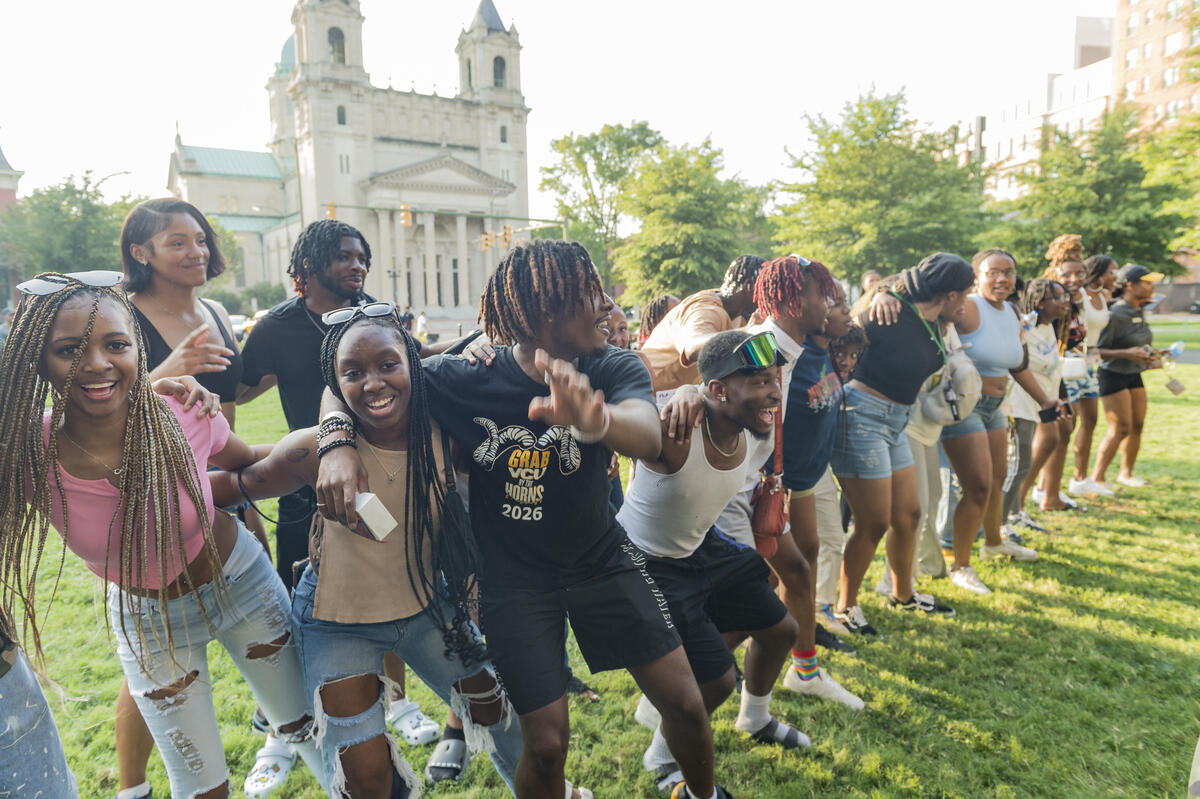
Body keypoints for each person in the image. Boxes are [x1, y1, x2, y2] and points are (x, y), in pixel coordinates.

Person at [317, 240, 721, 799]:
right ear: (544, 314)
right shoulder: (467, 376)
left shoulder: (611, 365)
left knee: (685, 702)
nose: (609, 304)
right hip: (515, 581)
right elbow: (354, 377)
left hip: (601, 559)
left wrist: (595, 418)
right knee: (548, 744)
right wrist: (335, 443)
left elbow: (648, 435)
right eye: (591, 293)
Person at [0, 271, 325, 799]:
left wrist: (332, 445)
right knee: (200, 788)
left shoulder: (182, 410)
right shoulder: (24, 450)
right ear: (36, 360)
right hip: (147, 622)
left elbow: (250, 469)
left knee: (309, 731)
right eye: (68, 350)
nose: (97, 363)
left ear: (137, 350)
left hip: (241, 585)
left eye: (116, 344)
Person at [212, 307, 525, 798]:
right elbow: (235, 485)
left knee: (499, 716)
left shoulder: (444, 433)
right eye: (353, 373)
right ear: (335, 384)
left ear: (413, 362)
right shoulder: (313, 449)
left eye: (387, 365)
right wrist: (149, 484)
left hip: (428, 606)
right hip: (337, 622)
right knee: (364, 776)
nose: (373, 383)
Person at [237, 220, 449, 776]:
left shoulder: (377, 314)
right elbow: (237, 388)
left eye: (362, 256)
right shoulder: (277, 327)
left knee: (391, 585)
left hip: (381, 480)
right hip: (305, 484)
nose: (357, 265)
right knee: (298, 610)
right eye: (344, 256)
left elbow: (417, 362)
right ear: (308, 265)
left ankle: (397, 700)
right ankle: (282, 728)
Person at [119, 197, 289, 798]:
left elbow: (232, 397)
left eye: (200, 239)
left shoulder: (214, 309)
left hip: (227, 489)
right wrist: (167, 367)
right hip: (153, 505)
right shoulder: (120, 317)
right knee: (158, 660)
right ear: (141, 253)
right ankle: (131, 785)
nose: (196, 251)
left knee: (266, 629)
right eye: (176, 241)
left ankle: (278, 735)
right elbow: (100, 413)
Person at [619, 331, 810, 795]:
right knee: (717, 681)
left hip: (703, 543)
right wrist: (687, 391)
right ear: (720, 391)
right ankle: (663, 753)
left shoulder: (757, 421)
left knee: (781, 630)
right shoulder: (676, 421)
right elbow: (640, 407)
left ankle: (756, 718)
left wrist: (702, 389)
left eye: (774, 379)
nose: (773, 392)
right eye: (760, 381)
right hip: (649, 563)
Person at [832, 253, 971, 635]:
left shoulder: (935, 320)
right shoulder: (888, 309)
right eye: (965, 294)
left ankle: (903, 594)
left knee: (908, 515)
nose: (967, 302)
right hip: (863, 416)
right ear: (952, 292)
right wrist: (878, 293)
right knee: (872, 522)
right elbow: (846, 330)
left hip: (898, 421)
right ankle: (845, 605)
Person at [926, 249, 1061, 596]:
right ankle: (961, 565)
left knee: (998, 477)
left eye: (1009, 272)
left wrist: (1045, 399)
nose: (1001, 279)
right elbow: (931, 324)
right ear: (977, 276)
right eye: (993, 272)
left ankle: (994, 542)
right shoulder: (968, 307)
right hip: (965, 408)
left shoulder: (1012, 312)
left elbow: (1017, 365)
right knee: (978, 487)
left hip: (996, 406)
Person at [640, 256, 764, 392]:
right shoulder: (706, 309)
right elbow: (691, 347)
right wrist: (747, 332)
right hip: (646, 395)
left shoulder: (738, 316)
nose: (768, 299)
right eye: (766, 291)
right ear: (748, 287)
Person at [1091, 264, 1163, 489]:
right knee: (1120, 428)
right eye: (1147, 282)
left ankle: (1126, 474)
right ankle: (1098, 478)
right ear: (1130, 285)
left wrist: (1153, 355)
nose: (1152, 286)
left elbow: (1139, 342)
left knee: (1137, 425)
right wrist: (1127, 353)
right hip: (1112, 375)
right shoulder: (1116, 314)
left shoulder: (1139, 310)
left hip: (1134, 374)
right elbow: (1096, 350)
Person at [1006, 279, 1073, 518]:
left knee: (1029, 460)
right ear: (1039, 303)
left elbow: (1051, 370)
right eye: (1058, 297)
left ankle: (1015, 511)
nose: (1066, 301)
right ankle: (1006, 520)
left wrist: (1058, 399)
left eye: (1066, 296)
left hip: (1043, 403)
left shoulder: (1048, 328)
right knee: (1018, 465)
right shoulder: (1026, 326)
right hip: (1020, 404)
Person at [1038, 236, 1090, 510]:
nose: (1074, 278)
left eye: (1079, 272)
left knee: (1065, 432)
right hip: (1045, 375)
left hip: (1063, 374)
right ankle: (1037, 493)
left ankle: (1049, 492)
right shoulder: (1050, 300)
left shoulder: (1073, 301)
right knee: (1051, 436)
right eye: (1067, 273)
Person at [1068, 255, 1118, 495]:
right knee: (1067, 424)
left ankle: (1080, 478)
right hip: (1072, 360)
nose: (1116, 276)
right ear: (1097, 273)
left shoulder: (1102, 296)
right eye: (1112, 271)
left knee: (1090, 421)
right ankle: (1046, 486)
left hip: (1091, 362)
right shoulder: (1080, 295)